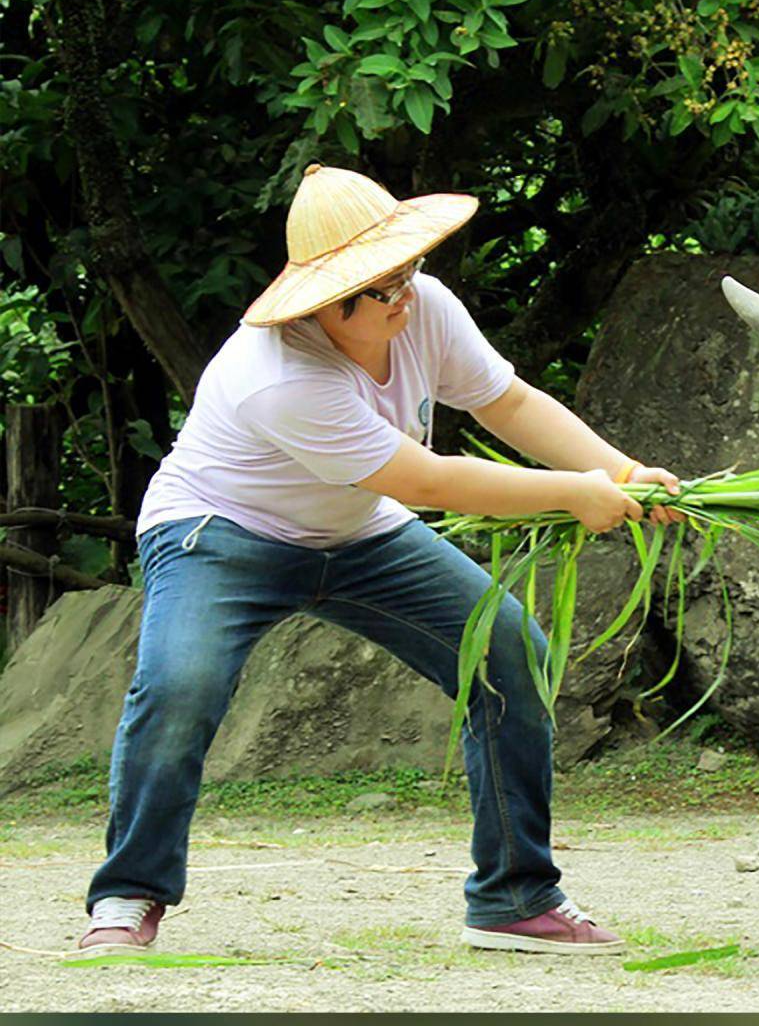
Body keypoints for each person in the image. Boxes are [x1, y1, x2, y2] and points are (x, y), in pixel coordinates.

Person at [77, 163, 683, 958]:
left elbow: (508, 402)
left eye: (408, 272)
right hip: (221, 534)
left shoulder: (424, 306)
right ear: (329, 306)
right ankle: (127, 898)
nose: (404, 294)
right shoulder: (277, 376)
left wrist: (620, 470)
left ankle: (514, 898)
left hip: (358, 531)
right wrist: (572, 492)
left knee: (509, 652)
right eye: (381, 286)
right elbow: (426, 481)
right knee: (180, 687)